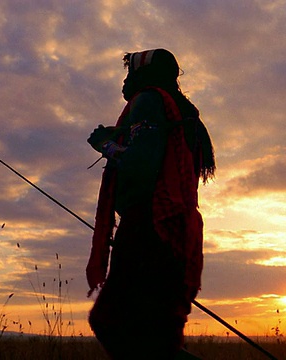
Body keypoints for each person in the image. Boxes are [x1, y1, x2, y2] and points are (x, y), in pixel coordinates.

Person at [86, 48, 215, 359]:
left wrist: (106, 145)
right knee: (158, 335)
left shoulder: (147, 101)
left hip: (150, 227)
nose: (125, 80)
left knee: (110, 321)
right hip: (177, 233)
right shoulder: (183, 113)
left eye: (130, 72)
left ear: (143, 75)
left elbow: (142, 163)